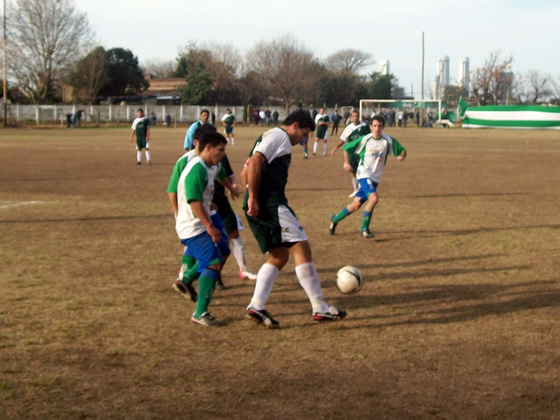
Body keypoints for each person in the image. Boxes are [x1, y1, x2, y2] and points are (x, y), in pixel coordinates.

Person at [242, 109, 347, 328]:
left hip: (263, 203)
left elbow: (246, 170)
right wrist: (253, 196)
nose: (303, 140)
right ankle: (320, 307)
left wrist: (249, 194)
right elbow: (254, 162)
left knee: (280, 255)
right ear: (295, 125)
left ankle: (256, 305)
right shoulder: (278, 136)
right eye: (304, 134)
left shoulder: (269, 136)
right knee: (301, 248)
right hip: (271, 204)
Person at [169, 125, 235, 299]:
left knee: (223, 249)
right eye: (219, 149)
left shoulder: (213, 162)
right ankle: (191, 284)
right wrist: (178, 213)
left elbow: (219, 175)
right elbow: (174, 191)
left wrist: (229, 189)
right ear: (203, 144)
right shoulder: (189, 162)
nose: (222, 154)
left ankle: (187, 279)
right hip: (193, 218)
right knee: (210, 258)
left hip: (206, 212)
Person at [329, 115, 407, 239]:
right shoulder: (365, 139)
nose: (377, 129)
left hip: (375, 178)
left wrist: (402, 156)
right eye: (374, 126)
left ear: (383, 127)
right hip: (363, 173)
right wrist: (346, 163)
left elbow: (403, 150)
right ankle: (364, 228)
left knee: (356, 205)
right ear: (370, 127)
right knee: (374, 199)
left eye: (379, 126)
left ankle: (335, 218)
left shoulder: (388, 140)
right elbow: (346, 148)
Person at [212, 154, 258, 281]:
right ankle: (186, 272)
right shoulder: (194, 157)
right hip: (205, 202)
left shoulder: (220, 152)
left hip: (221, 201)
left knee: (233, 232)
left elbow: (228, 172)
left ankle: (243, 269)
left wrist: (233, 185)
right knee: (201, 238)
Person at [330, 110, 371, 197]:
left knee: (362, 171)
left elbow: (370, 138)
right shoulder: (349, 128)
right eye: (354, 116)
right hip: (352, 153)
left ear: (359, 116)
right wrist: (335, 148)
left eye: (357, 116)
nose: (355, 118)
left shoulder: (364, 127)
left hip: (362, 153)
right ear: (351, 117)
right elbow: (343, 140)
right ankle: (355, 190)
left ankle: (362, 190)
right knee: (353, 171)